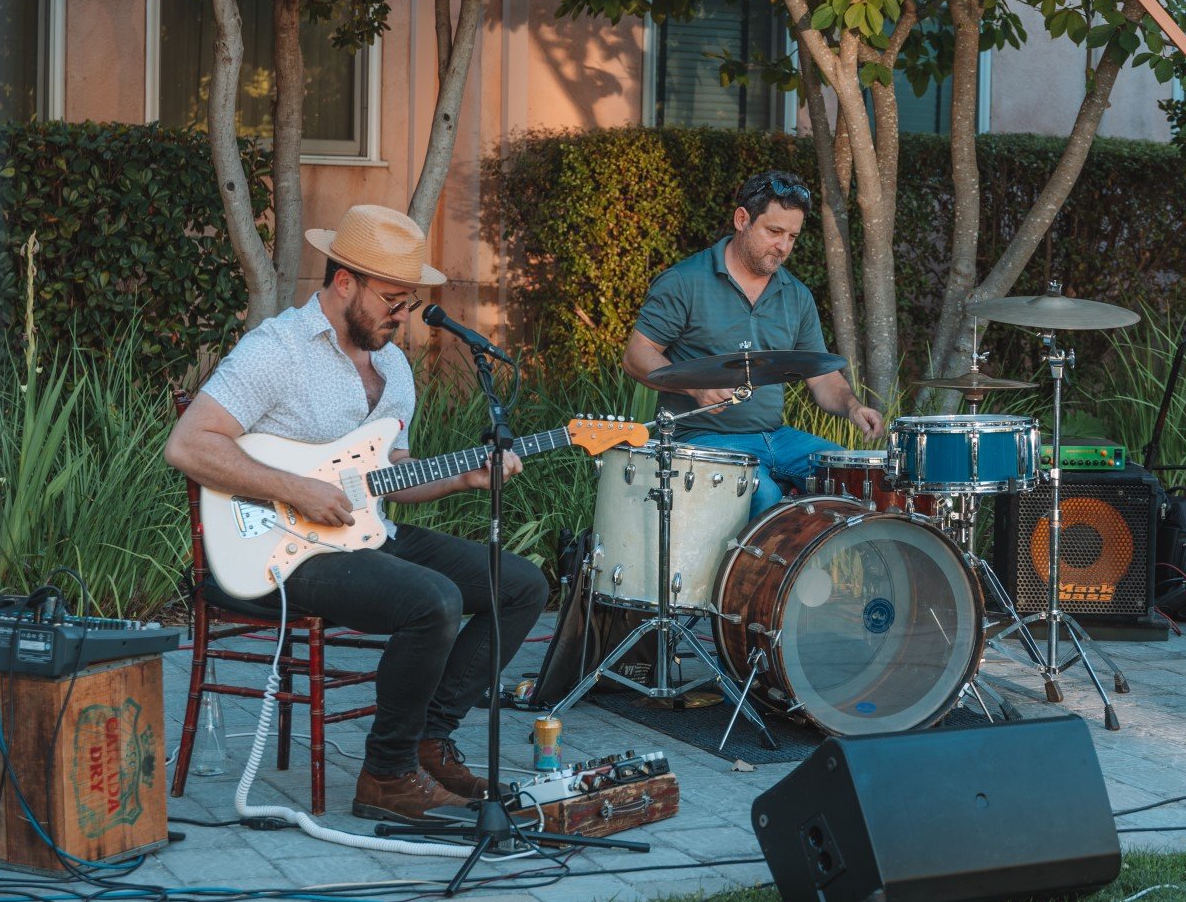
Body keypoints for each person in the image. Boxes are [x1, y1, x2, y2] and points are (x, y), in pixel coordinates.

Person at [164, 204, 548, 821]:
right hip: (279, 554)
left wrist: (463, 478)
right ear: (346, 281)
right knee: (434, 600)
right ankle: (386, 775)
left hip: (361, 537)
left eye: (409, 301)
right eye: (393, 299)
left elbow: (385, 475)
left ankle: (428, 738)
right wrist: (295, 487)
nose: (403, 315)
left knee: (522, 583)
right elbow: (188, 444)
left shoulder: (392, 365)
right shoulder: (278, 349)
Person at [624, 170, 884, 516]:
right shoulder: (684, 282)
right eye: (774, 232)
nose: (784, 246)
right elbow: (637, 355)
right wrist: (695, 389)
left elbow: (822, 378)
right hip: (703, 440)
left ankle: (827, 571)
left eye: (792, 236)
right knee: (763, 496)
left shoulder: (796, 296)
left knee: (858, 481)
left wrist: (852, 407)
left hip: (776, 437)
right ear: (742, 219)